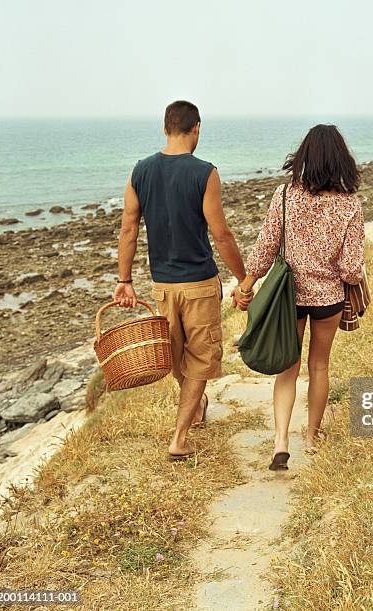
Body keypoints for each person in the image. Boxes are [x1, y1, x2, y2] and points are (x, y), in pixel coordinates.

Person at [113, 100, 252, 461]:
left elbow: (128, 228)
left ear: (165, 128)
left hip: (162, 286)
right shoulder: (205, 173)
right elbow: (221, 235)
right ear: (197, 128)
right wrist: (243, 277)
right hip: (201, 283)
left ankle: (193, 408)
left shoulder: (139, 171)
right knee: (199, 359)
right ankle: (179, 437)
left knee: (176, 358)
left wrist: (124, 280)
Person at [236, 124, 365, 470]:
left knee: (287, 370)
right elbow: (352, 269)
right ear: (341, 159)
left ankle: (281, 441)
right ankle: (312, 437)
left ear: (304, 156)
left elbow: (266, 246)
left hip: (287, 298)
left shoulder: (284, 196)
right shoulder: (350, 205)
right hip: (329, 299)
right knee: (319, 366)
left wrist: (247, 283)